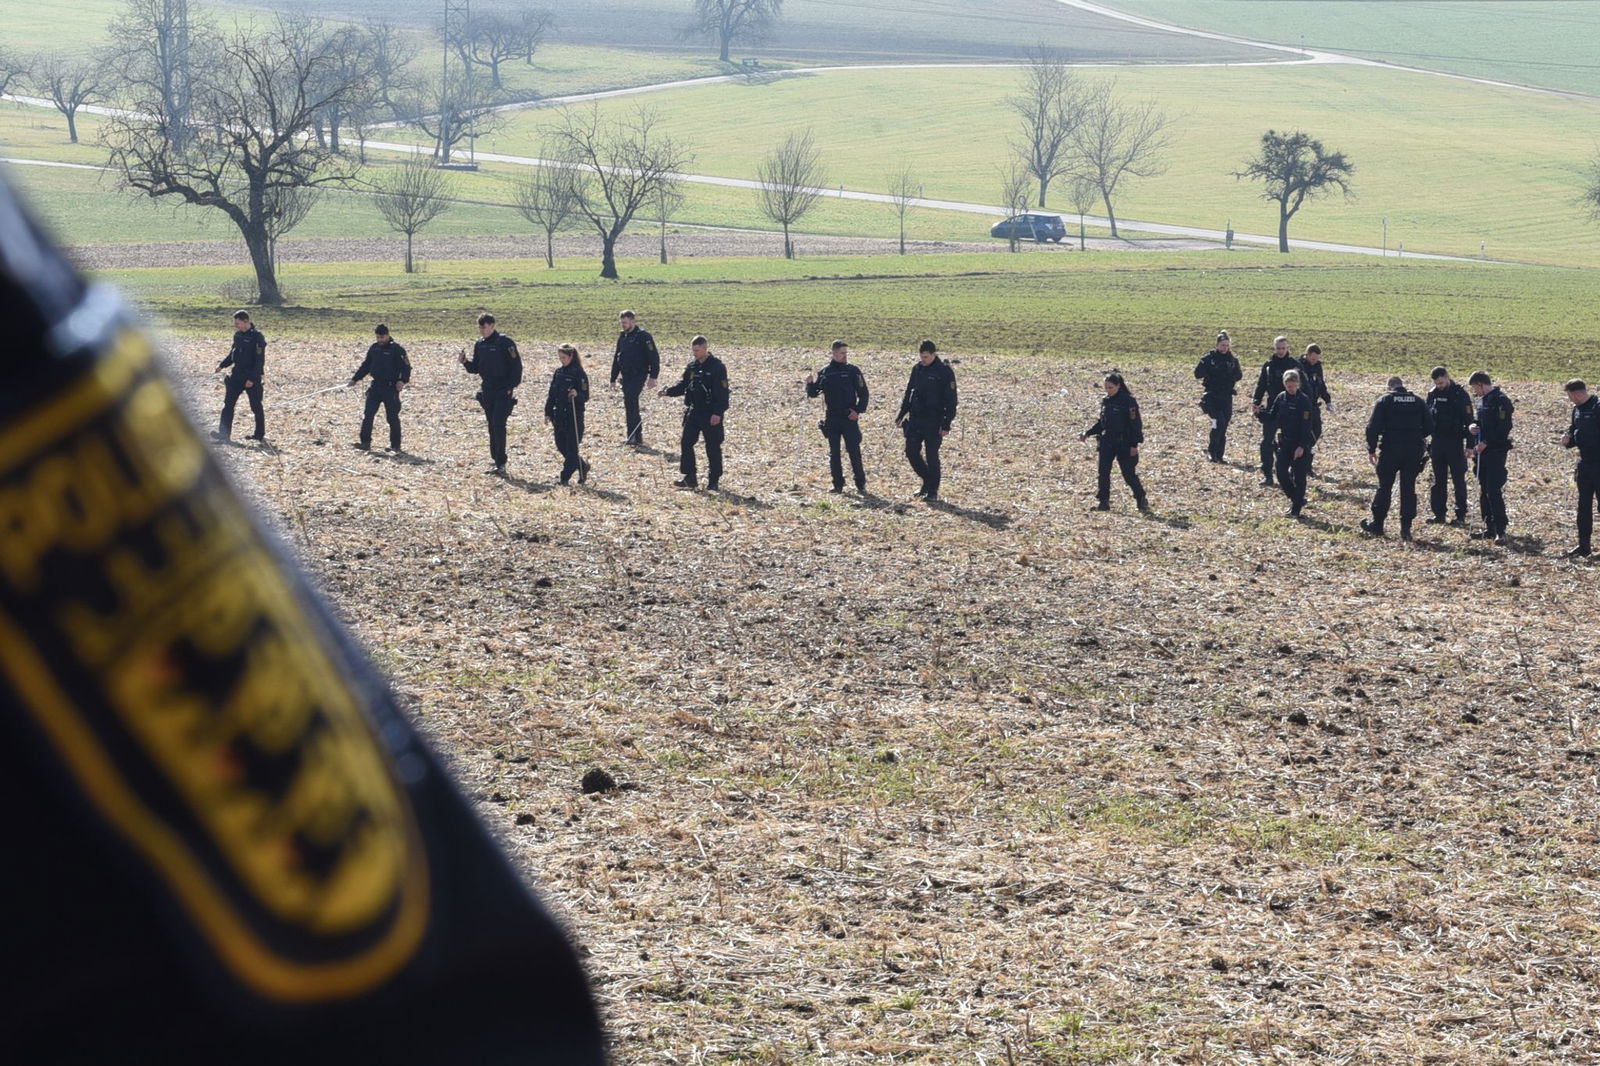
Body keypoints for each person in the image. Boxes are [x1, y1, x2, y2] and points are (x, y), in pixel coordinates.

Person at [1360, 376, 1433, 540]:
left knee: (1384, 487)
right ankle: (1406, 529)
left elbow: (1372, 428)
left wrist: (1371, 449)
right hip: (1413, 451)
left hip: (1391, 449)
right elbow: (1430, 426)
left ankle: (1378, 525)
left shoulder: (1385, 400)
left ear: (1389, 387)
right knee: (1408, 489)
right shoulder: (1418, 401)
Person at [661, 335, 730, 489]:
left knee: (712, 447)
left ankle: (713, 481)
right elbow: (683, 385)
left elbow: (723, 393)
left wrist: (717, 413)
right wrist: (667, 392)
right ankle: (690, 476)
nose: (695, 353)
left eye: (697, 350)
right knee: (686, 442)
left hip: (710, 413)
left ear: (705, 349)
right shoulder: (692, 366)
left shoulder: (717, 367)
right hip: (694, 411)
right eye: (693, 350)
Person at [458, 313, 522, 475]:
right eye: (480, 327)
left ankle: (501, 462)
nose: (482, 330)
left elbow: (516, 367)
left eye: (484, 327)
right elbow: (476, 368)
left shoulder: (505, 343)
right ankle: (496, 460)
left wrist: (511, 386)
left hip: (503, 390)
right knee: (491, 426)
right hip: (487, 390)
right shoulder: (480, 344)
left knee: (498, 425)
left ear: (492, 326)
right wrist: (465, 362)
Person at [896, 340, 958, 502]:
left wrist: (946, 423)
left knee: (931, 455)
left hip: (934, 420)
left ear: (934, 354)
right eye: (921, 357)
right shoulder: (917, 369)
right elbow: (909, 392)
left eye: (926, 357)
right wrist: (902, 413)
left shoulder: (944, 371)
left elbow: (951, 400)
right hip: (916, 418)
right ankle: (926, 479)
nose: (923, 360)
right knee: (911, 452)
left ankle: (933, 490)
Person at [805, 340, 869, 493]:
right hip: (832, 417)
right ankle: (837, 484)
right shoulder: (826, 372)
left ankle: (860, 483)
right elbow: (814, 393)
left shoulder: (853, 371)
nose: (845, 356)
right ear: (834, 353)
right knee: (834, 453)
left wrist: (858, 411)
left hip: (849, 417)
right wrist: (809, 384)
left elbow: (864, 393)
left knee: (854, 450)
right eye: (842, 353)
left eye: (846, 353)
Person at [1079, 371, 1148, 512]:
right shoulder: (1106, 401)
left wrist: (1134, 445)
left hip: (1124, 443)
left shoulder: (1128, 401)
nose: (1108, 391)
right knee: (1103, 473)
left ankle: (1141, 498)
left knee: (1128, 473)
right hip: (1107, 441)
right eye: (1106, 388)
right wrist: (1088, 433)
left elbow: (1135, 424)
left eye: (1110, 387)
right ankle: (1103, 502)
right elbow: (1102, 423)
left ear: (1118, 386)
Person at [1467, 370, 1514, 544]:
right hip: (1482, 453)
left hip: (1496, 452)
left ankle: (1500, 529)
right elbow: (1481, 423)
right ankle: (1489, 527)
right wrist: (1473, 426)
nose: (1474, 392)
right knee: (1484, 490)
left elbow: (1504, 427)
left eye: (1475, 388)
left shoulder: (1501, 401)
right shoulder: (1482, 402)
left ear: (1480, 384)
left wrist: (1486, 441)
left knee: (1493, 490)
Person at [349, 323, 411, 452]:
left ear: (388, 335)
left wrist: (402, 381)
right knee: (368, 414)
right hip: (375, 387)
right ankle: (365, 442)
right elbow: (366, 366)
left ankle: (395, 446)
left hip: (390, 389)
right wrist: (355, 379)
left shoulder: (397, 350)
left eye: (382, 337)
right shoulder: (374, 348)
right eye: (377, 337)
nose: (380, 340)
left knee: (392, 417)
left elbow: (406, 367)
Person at [1425, 366, 1474, 526]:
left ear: (1447, 377)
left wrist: (1470, 445)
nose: (1439, 386)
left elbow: (1469, 422)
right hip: (1437, 442)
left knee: (1458, 480)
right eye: (1436, 383)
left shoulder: (1460, 394)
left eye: (1441, 382)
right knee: (1438, 480)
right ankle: (1439, 513)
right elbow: (1427, 417)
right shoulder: (1433, 394)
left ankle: (1460, 515)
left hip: (1455, 442)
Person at [1251, 335, 1301, 486]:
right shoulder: (1268, 366)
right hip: (1273, 408)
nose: (1280, 351)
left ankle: (1291, 475)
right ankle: (1267, 475)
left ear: (1288, 348)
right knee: (1266, 442)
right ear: (1274, 348)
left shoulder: (1295, 366)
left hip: (1291, 409)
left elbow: (1303, 387)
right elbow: (1261, 385)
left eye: (1283, 348)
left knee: (1291, 443)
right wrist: (1256, 402)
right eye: (1278, 348)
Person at [1560, 379, 1600, 558]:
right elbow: (1574, 430)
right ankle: (1583, 546)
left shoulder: (1597, 408)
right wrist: (1568, 439)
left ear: (1578, 393)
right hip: (1584, 464)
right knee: (1583, 507)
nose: (1570, 400)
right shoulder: (1577, 410)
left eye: (1570, 396)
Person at [214, 309, 266, 442]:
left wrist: (252, 379)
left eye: (238, 323)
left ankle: (259, 435)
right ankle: (223, 434)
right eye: (235, 323)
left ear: (246, 321)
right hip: (236, 376)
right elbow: (232, 354)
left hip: (251, 378)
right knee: (228, 405)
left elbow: (259, 361)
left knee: (256, 406)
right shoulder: (238, 336)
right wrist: (222, 365)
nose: (236, 325)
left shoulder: (257, 337)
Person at [1269, 368, 1316, 516]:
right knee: (1281, 472)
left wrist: (1302, 446)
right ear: (1284, 384)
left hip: (1299, 444)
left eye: (1293, 386)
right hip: (1284, 442)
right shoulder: (1281, 398)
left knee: (1299, 476)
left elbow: (1307, 426)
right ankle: (1296, 498)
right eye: (1288, 386)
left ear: (1298, 384)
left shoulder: (1304, 401)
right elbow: (1272, 416)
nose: (1291, 389)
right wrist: (1259, 413)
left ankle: (1296, 509)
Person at [610, 309, 659, 445]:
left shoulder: (644, 336)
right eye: (622, 323)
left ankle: (633, 435)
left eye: (625, 322)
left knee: (631, 400)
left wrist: (653, 376)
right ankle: (635, 436)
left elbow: (654, 357)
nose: (623, 325)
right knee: (630, 404)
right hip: (626, 375)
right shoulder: (623, 337)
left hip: (639, 374)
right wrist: (613, 378)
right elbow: (617, 358)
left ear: (633, 321)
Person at [1194, 330, 1242, 463]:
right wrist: (1210, 370)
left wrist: (1228, 376)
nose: (1224, 348)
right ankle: (1211, 450)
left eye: (1227, 345)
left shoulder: (1232, 360)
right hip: (1211, 398)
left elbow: (1239, 375)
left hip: (1226, 398)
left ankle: (1219, 455)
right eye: (1222, 345)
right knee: (1217, 423)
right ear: (1217, 345)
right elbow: (1197, 374)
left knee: (1224, 425)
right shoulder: (1209, 359)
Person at [545, 343, 590, 485]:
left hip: (574, 416)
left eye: (563, 357)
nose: (561, 360)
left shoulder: (579, 373)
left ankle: (564, 477)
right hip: (558, 415)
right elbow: (551, 394)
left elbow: (585, 396)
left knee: (571, 449)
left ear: (571, 356)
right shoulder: (558, 372)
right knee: (561, 446)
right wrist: (547, 412)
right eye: (560, 357)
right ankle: (582, 465)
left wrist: (577, 394)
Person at [1297, 343, 1333, 472]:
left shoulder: (1318, 367)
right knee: (1305, 433)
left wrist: (1328, 401)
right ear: (1307, 355)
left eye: (1317, 358)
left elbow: (1321, 385)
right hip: (1302, 406)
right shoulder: (1298, 366)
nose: (1315, 361)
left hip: (1314, 405)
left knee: (1316, 431)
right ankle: (1304, 465)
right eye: (1313, 358)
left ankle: (1307, 456)